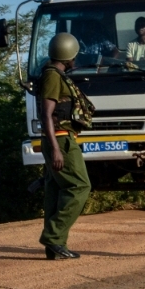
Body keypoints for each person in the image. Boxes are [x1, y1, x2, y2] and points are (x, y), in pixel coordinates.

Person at [38, 33, 95, 260]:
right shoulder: (53, 77)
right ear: (68, 55)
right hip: (60, 139)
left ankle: (55, 246)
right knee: (80, 187)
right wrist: (55, 148)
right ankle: (53, 236)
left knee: (56, 189)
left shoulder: (53, 74)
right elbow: (46, 115)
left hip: (58, 138)